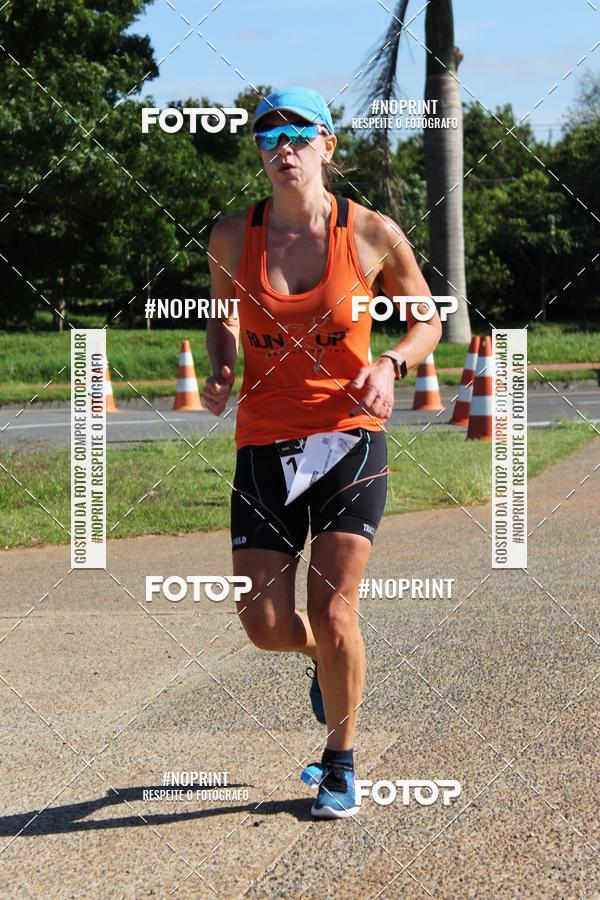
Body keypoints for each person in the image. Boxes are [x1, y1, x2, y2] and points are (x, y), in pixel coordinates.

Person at [203, 87, 441, 818]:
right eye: (267, 135)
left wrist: (392, 364)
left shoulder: (370, 234)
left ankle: (340, 762)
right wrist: (221, 365)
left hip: (347, 438)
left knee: (335, 612)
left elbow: (428, 319)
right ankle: (326, 664)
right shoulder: (230, 236)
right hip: (263, 444)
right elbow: (221, 314)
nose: (283, 148)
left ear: (327, 146)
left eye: (299, 134)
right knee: (265, 627)